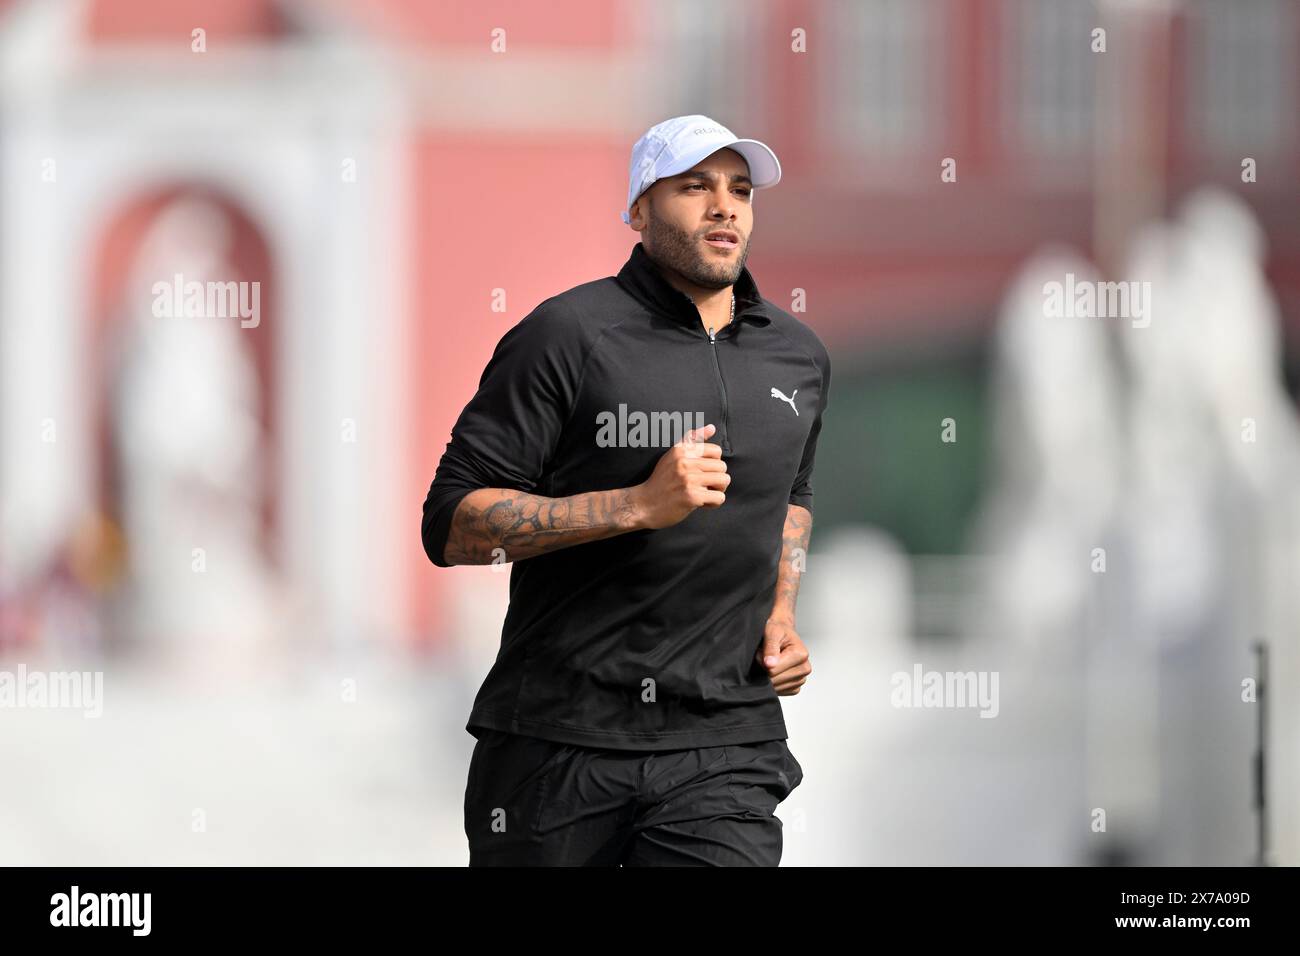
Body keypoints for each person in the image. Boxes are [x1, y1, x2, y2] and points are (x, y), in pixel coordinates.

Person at [421, 114, 832, 866]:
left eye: (740, 189)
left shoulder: (797, 356)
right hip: (557, 741)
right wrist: (636, 506)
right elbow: (451, 525)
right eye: (694, 187)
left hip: (725, 743)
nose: (725, 207)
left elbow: (791, 497)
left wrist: (781, 613)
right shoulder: (566, 335)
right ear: (640, 208)